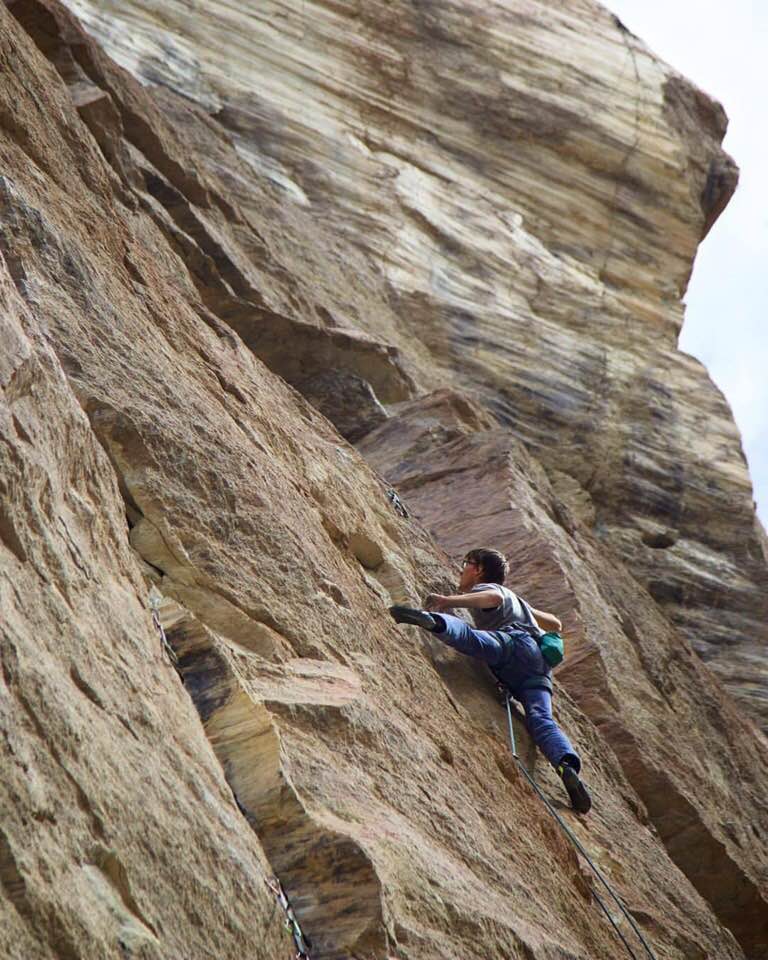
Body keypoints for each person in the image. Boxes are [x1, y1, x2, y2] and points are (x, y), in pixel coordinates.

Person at [389, 547, 591, 814]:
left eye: (466, 564)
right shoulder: (519, 601)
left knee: (472, 639)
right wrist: (530, 615)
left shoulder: (487, 588)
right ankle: (566, 766)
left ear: (480, 569)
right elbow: (555, 623)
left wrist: (447, 602)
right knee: (542, 719)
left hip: (512, 643)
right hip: (538, 667)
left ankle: (433, 621)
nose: (462, 570)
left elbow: (492, 597)